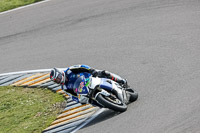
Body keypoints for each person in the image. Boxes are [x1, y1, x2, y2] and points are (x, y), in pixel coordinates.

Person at [50, 64, 127, 103]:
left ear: (60, 73)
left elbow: (82, 66)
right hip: (85, 91)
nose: (59, 80)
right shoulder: (64, 87)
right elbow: (72, 96)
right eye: (56, 81)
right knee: (90, 101)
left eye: (58, 78)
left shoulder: (70, 70)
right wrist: (78, 99)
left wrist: (91, 70)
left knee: (105, 73)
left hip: (91, 78)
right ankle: (107, 104)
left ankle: (120, 81)